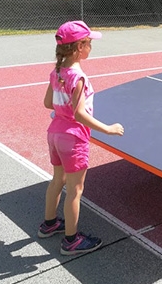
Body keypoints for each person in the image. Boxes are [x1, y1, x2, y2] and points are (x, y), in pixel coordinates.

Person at [38, 20, 124, 256]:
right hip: (73, 139)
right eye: (88, 43)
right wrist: (107, 129)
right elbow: (79, 114)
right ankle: (71, 241)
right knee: (75, 190)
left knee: (57, 181)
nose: (91, 48)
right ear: (78, 47)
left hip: (54, 134)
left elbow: (48, 103)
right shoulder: (78, 77)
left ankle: (49, 224)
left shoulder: (56, 72)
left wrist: (62, 109)